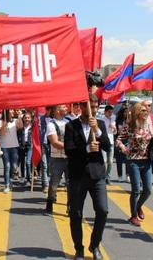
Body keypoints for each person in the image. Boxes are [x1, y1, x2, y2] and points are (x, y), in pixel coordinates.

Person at [64, 95, 110, 260]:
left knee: (103, 211)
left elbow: (107, 146)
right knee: (76, 214)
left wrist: (97, 131)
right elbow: (69, 150)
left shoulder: (101, 124)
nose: (94, 109)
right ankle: (79, 249)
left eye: (96, 106)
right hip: (78, 176)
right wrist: (86, 149)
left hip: (97, 175)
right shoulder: (71, 126)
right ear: (81, 108)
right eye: (90, 106)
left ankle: (95, 244)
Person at [116, 103, 153, 227]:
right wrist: (123, 148)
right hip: (133, 160)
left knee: (148, 190)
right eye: (143, 110)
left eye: (147, 110)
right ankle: (133, 216)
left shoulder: (149, 124)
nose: (146, 112)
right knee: (135, 190)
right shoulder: (129, 125)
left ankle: (138, 206)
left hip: (146, 161)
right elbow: (118, 139)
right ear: (137, 112)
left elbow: (152, 141)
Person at [45, 104, 70, 214]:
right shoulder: (51, 124)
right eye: (64, 107)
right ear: (56, 110)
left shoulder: (70, 121)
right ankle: (50, 202)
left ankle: (70, 206)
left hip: (70, 158)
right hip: (57, 158)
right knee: (54, 183)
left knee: (71, 183)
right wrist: (73, 146)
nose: (66, 108)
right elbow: (55, 142)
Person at [0, 109, 23, 193]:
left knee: (14, 166)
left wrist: (20, 116)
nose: (13, 112)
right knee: (7, 166)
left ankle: (10, 181)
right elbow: (1, 134)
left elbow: (20, 126)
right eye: (11, 111)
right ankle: (7, 185)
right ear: (6, 112)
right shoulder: (1, 121)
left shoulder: (15, 121)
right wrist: (3, 126)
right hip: (4, 147)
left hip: (14, 146)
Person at [98, 105, 116, 184]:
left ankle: (108, 176)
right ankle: (102, 176)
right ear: (105, 112)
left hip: (111, 142)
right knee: (104, 160)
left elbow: (115, 132)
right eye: (109, 112)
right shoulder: (101, 119)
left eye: (112, 112)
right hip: (103, 142)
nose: (110, 114)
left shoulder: (113, 119)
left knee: (110, 161)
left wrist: (114, 128)